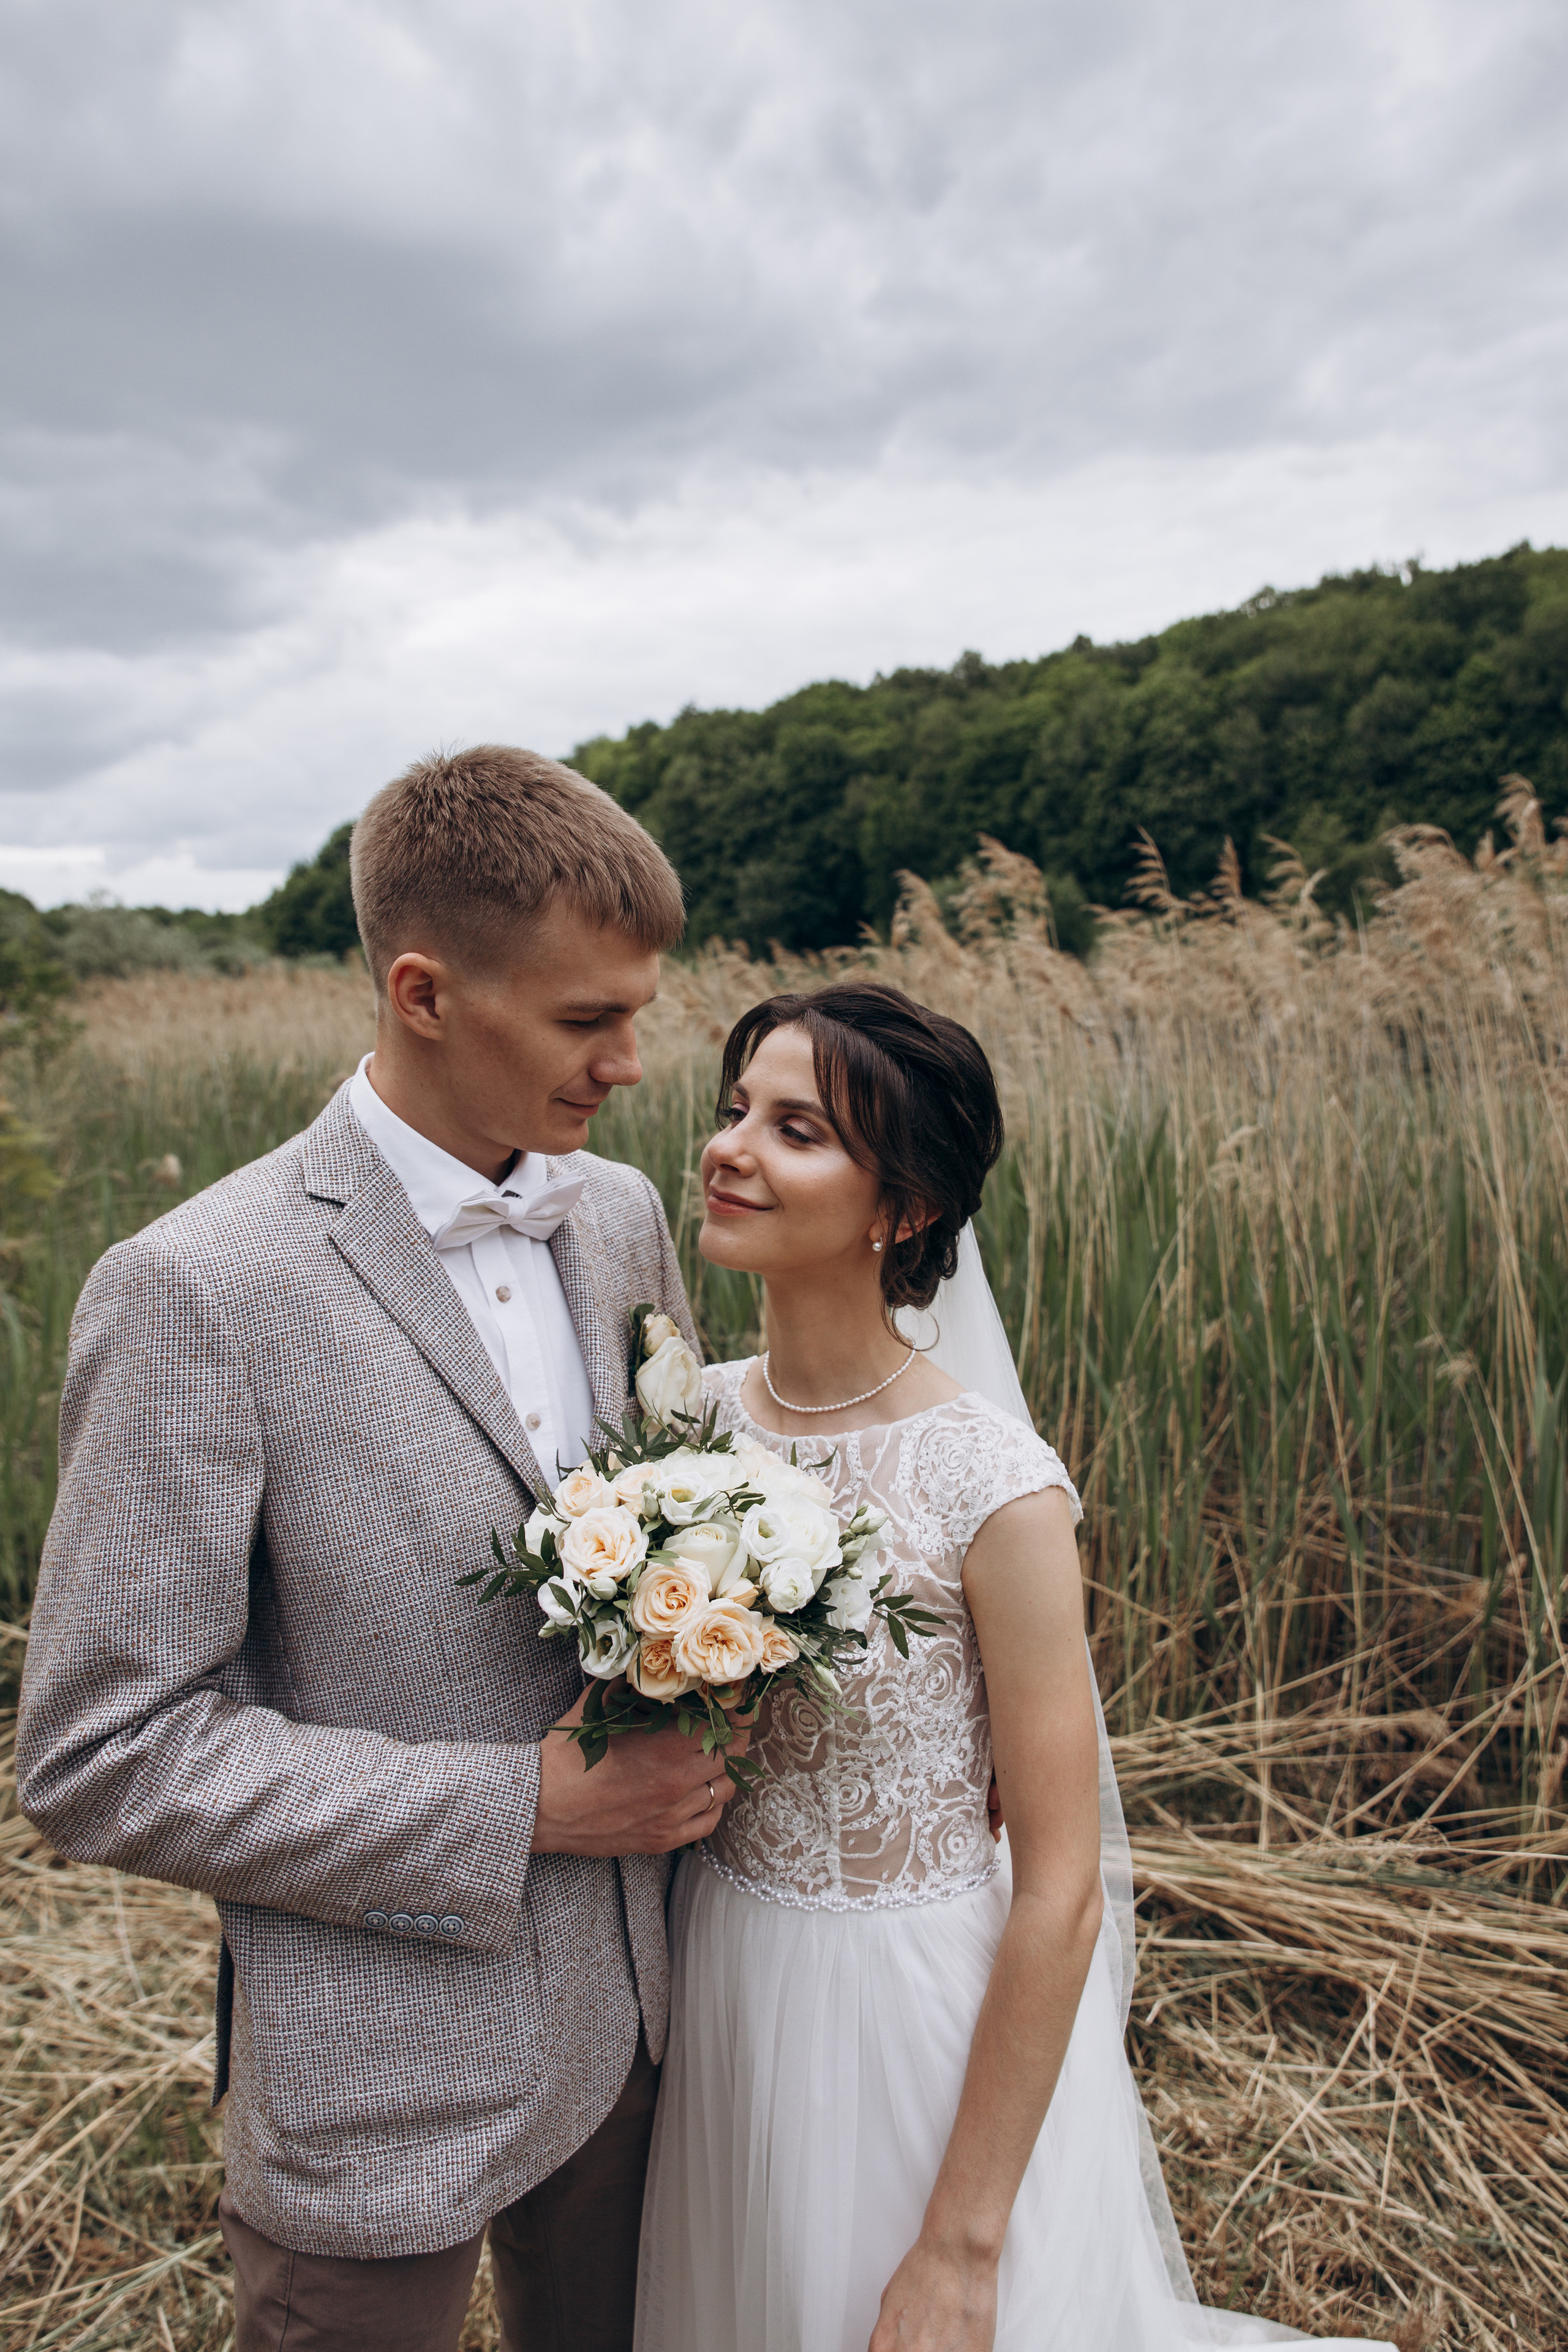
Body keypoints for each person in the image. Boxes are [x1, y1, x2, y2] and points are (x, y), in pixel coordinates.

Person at [16, 745, 743, 2352]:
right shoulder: (198, 1287)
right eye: (583, 1021)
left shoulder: (614, 1218)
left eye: (640, 1009)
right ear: (423, 992)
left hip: (643, 2036)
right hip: (375, 2085)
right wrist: (523, 1811)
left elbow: (683, 1536)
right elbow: (98, 1755)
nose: (634, 1061)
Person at [633, 979, 1394, 2352]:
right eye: (734, 1109)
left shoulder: (990, 1484)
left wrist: (960, 2245)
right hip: (727, 1975)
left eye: (794, 1129)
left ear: (901, 1209)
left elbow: (1060, 1890)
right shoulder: (682, 1424)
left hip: (908, 2026)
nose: (729, 1148)